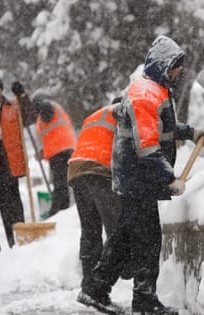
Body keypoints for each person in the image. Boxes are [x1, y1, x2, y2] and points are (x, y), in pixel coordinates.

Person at [77, 36, 204, 315]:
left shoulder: (155, 91)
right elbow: (147, 146)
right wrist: (169, 178)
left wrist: (190, 132)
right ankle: (144, 301)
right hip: (139, 180)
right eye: (175, 66)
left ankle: (95, 289)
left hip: (136, 179)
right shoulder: (146, 94)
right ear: (163, 64)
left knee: (124, 236)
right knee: (149, 241)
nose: (178, 72)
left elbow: (162, 129)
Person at [67, 100, 124, 297]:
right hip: (98, 171)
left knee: (90, 231)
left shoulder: (96, 114)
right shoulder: (123, 113)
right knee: (117, 232)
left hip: (76, 170)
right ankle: (99, 288)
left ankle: (88, 284)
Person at [0, 71, 35, 251]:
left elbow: (31, 117)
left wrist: (22, 96)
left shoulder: (12, 107)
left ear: (1, 89)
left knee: (11, 210)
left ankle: (18, 245)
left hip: (6, 166)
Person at [32, 92, 77, 216]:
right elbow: (55, 132)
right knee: (69, 182)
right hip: (69, 149)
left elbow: (45, 110)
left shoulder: (47, 110)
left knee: (60, 185)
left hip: (57, 154)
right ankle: (66, 210)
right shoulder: (59, 110)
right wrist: (41, 152)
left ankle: (58, 212)